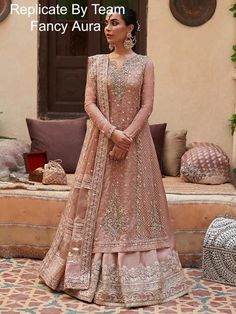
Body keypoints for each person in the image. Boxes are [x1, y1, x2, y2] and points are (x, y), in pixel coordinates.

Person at [39, 7, 189, 308]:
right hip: (100, 144)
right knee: (97, 205)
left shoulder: (145, 64)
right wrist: (112, 133)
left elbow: (147, 107)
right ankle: (82, 273)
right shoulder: (95, 63)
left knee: (134, 209)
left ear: (131, 28)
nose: (107, 28)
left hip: (136, 148)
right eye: (106, 23)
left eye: (115, 23)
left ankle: (139, 278)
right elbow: (89, 103)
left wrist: (126, 138)